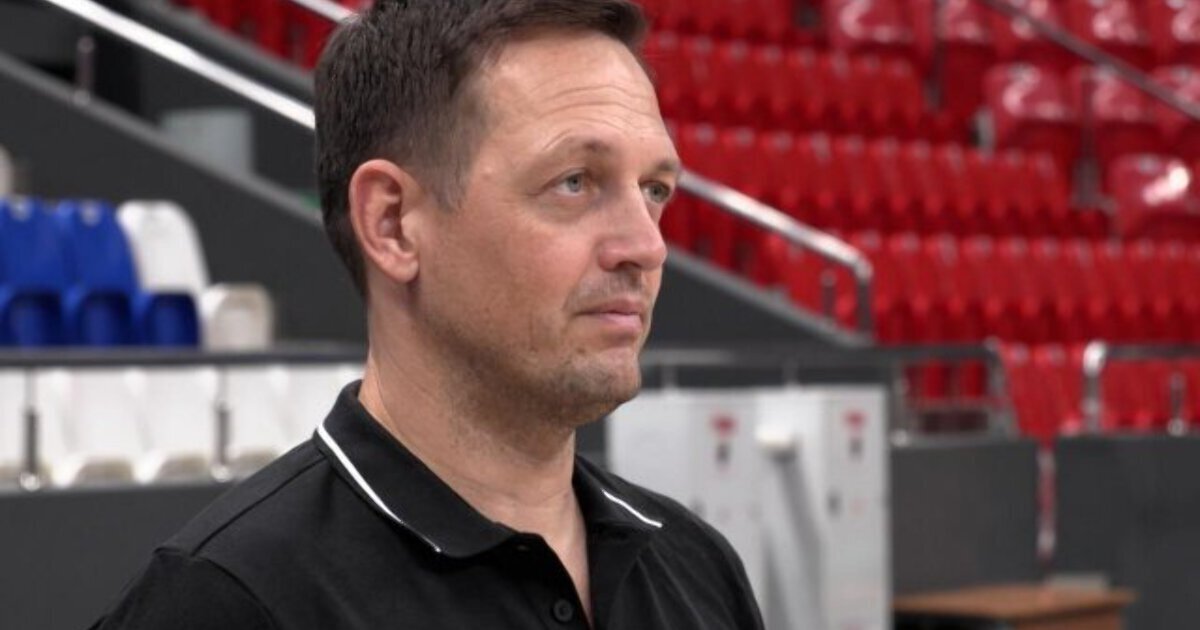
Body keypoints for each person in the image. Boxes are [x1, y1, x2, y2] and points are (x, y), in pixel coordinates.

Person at [91, 0, 764, 628]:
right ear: (392, 224)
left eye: (654, 190)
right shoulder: (225, 601)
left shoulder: (697, 567)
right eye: (574, 182)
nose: (646, 246)